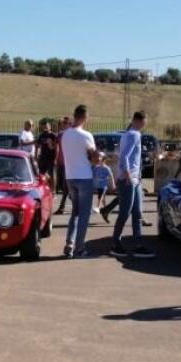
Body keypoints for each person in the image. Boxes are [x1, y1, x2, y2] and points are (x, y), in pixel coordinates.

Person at [108, 111, 154, 259]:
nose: (144, 125)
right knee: (125, 213)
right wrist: (128, 176)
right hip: (128, 180)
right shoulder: (134, 135)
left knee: (137, 213)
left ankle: (138, 245)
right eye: (144, 122)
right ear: (139, 121)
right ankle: (116, 242)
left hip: (135, 180)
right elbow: (124, 157)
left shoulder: (129, 134)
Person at [60, 105, 98, 258]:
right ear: (85, 117)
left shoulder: (64, 135)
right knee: (84, 214)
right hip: (84, 177)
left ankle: (69, 244)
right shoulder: (86, 135)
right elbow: (94, 158)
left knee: (75, 212)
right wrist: (99, 158)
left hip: (70, 176)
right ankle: (79, 248)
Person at [54, 116, 71, 215]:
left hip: (68, 163)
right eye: (62, 123)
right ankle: (72, 199)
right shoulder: (59, 135)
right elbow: (54, 146)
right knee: (61, 185)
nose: (63, 125)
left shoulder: (71, 135)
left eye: (65, 123)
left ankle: (62, 207)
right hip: (60, 162)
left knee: (66, 186)